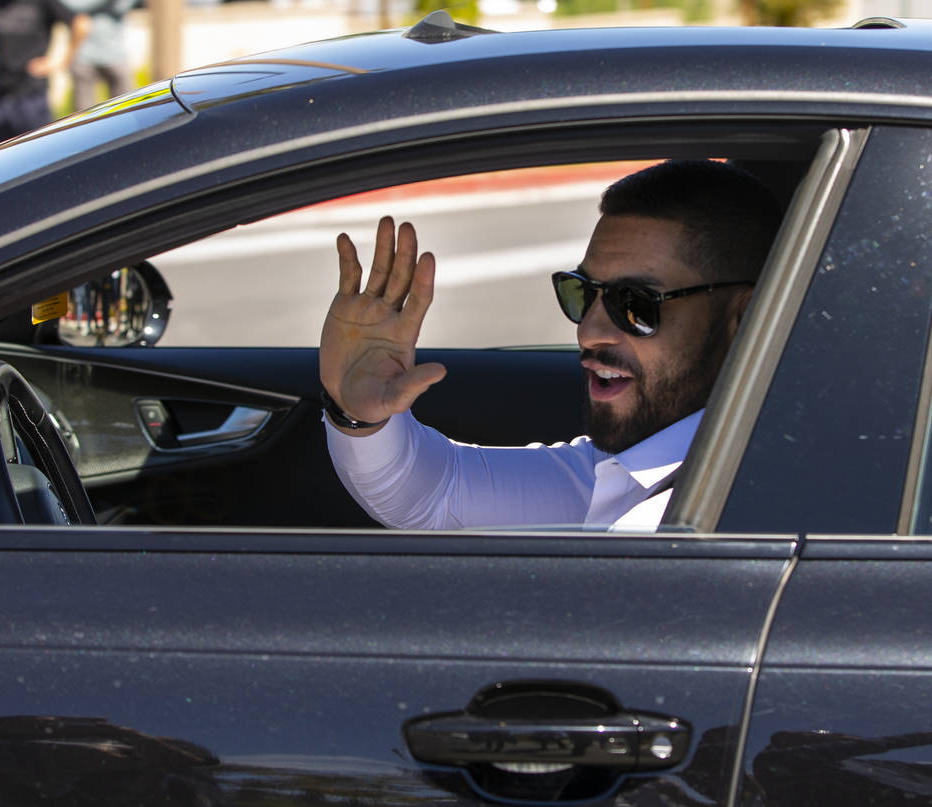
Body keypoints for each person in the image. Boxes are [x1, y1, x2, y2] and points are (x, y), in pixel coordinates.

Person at [319, 159, 783, 530]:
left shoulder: (757, 506)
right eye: (582, 292)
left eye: (635, 303)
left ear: (745, 318)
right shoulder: (631, 467)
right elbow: (436, 495)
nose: (589, 332)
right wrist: (357, 414)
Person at [0, 0, 90, 144]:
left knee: (40, 149)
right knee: (2, 157)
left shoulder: (41, 3)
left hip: (32, 95)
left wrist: (61, 61)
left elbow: (81, 23)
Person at [62, 0, 135, 111]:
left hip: (116, 55)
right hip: (83, 55)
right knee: (84, 116)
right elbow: (70, 7)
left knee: (125, 111)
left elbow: (121, 8)